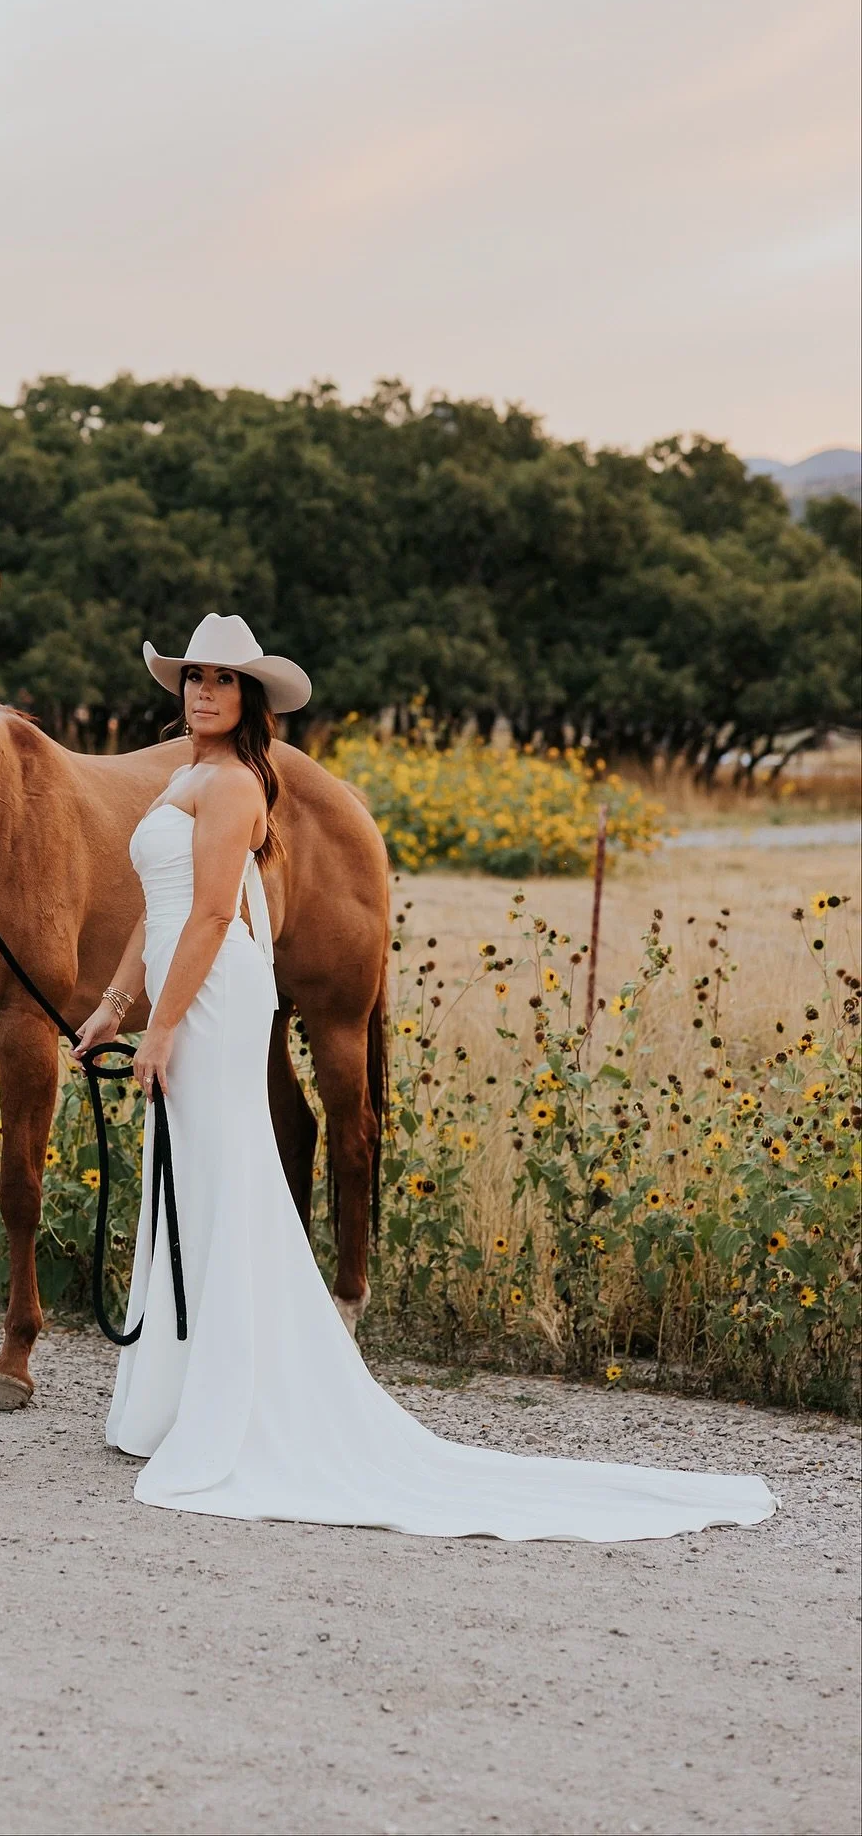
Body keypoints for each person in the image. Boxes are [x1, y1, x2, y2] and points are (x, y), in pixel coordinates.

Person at [68, 614, 777, 1540]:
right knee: (188, 1172)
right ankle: (176, 1393)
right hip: (174, 988)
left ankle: (248, 1397)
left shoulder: (238, 784)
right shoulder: (185, 776)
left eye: (221, 680)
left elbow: (208, 917)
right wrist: (114, 1007)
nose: (201, 691)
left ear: (249, 700)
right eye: (193, 676)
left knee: (221, 1174)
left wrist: (160, 1032)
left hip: (212, 992)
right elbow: (154, 915)